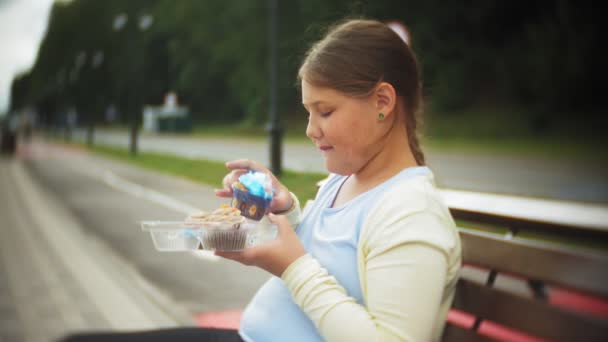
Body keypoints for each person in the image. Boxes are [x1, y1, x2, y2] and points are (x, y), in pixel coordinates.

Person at [60, 18, 461, 342]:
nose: (310, 129)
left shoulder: (411, 214)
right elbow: (337, 258)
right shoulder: (346, 183)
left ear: (383, 102)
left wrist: (291, 267)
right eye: (308, 111)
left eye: (324, 111)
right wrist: (286, 210)